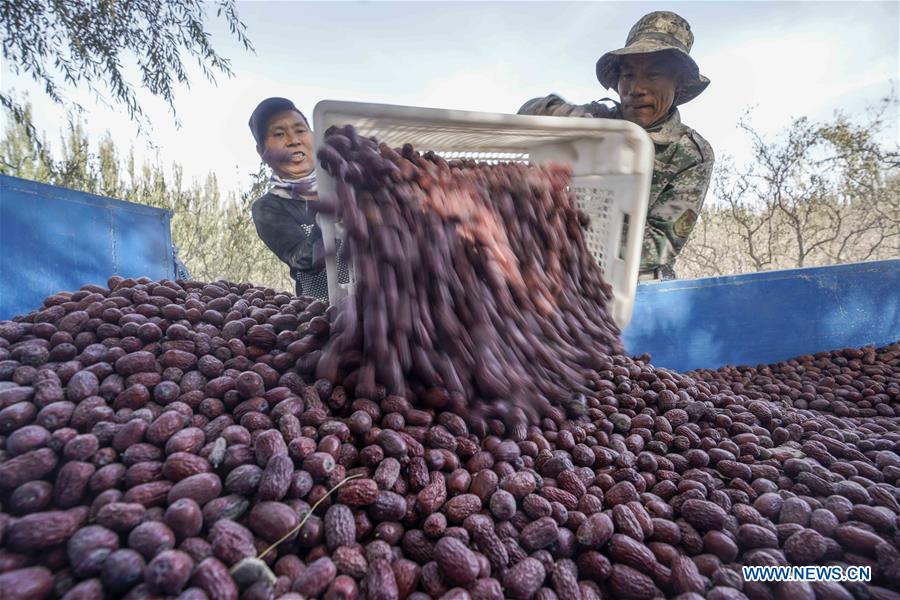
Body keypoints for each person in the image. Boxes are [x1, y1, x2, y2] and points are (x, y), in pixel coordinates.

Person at [519, 11, 714, 281]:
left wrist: (577, 240)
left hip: (634, 280)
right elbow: (528, 113)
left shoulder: (689, 154)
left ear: (678, 83)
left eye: (653, 75)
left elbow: (660, 244)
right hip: (561, 268)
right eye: (628, 75)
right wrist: (560, 113)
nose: (636, 88)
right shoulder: (599, 119)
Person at [248, 97, 329, 301]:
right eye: (279, 134)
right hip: (323, 310)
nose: (293, 140)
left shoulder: (348, 184)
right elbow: (302, 259)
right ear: (262, 152)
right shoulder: (268, 208)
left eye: (300, 130)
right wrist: (328, 216)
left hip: (380, 304)